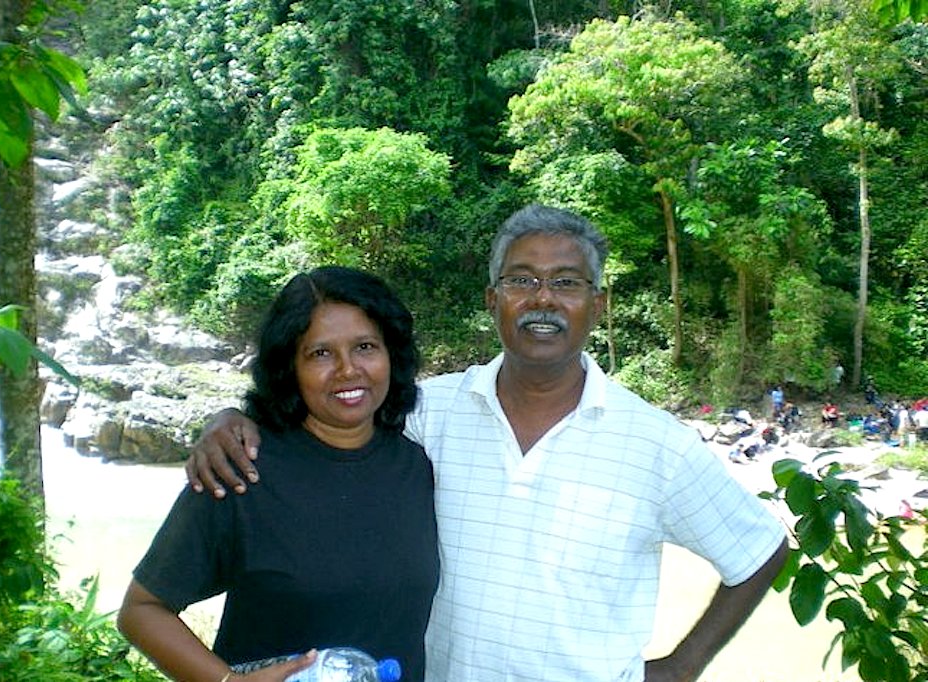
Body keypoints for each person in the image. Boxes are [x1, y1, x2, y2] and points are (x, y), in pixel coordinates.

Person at [186, 205, 788, 682]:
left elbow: (759, 550)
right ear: (492, 300)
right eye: (521, 280)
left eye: (567, 283)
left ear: (597, 306)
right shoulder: (427, 411)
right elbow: (331, 410)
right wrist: (229, 419)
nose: (542, 299)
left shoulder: (658, 444)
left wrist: (683, 666)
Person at [118, 266, 440, 682]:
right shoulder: (242, 470)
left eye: (364, 346)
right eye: (320, 353)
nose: (347, 370)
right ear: (289, 367)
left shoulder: (416, 465)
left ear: (391, 355)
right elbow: (142, 610)